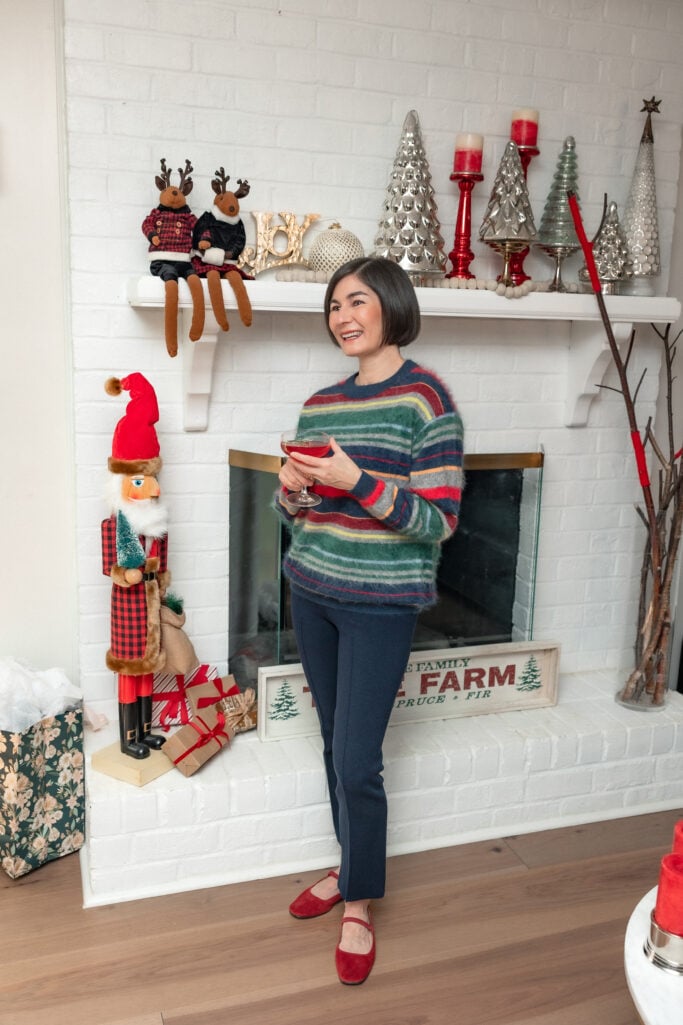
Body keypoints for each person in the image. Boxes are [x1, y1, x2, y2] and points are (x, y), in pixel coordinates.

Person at [275, 256, 464, 985]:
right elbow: (296, 516)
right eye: (332, 306)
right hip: (313, 591)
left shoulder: (425, 400)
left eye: (355, 301)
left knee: (357, 760)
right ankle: (348, 863)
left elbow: (438, 520)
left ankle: (357, 900)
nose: (342, 316)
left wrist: (357, 480)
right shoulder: (319, 403)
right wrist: (291, 488)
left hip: (382, 605)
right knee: (331, 746)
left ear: (389, 304)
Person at [101, 373, 170, 759]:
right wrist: (125, 573)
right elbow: (109, 565)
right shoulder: (116, 526)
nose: (154, 488)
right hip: (128, 608)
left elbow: (163, 563)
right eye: (144, 481)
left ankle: (145, 730)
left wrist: (162, 580)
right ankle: (128, 738)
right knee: (130, 670)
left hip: (150, 607)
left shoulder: (156, 524)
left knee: (149, 669)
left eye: (153, 478)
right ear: (125, 483)